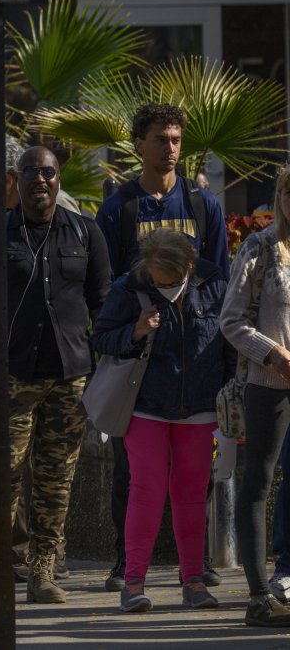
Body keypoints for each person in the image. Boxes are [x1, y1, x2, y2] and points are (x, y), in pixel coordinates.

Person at [94, 103, 229, 591]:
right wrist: (129, 330)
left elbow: (221, 282)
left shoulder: (201, 204)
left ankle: (197, 567)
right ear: (138, 145)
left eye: (176, 139)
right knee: (132, 476)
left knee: (196, 481)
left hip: (195, 365)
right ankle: (123, 565)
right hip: (142, 367)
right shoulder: (120, 208)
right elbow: (105, 284)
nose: (170, 148)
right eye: (160, 139)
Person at [90, 228, 230, 613]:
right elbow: (100, 338)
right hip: (146, 405)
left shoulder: (215, 281)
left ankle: (194, 581)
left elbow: (230, 339)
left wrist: (232, 394)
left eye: (172, 281)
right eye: (158, 281)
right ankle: (134, 583)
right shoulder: (129, 287)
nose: (165, 286)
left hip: (200, 407)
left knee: (192, 492)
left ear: (189, 266)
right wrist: (135, 330)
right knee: (146, 489)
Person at [5, 146, 112, 603]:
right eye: (30, 172)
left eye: (47, 172)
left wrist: (105, 358)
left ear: (58, 177)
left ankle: (43, 571)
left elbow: (102, 301)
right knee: (3, 475)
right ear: (17, 180)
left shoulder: (86, 232)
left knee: (55, 481)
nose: (39, 180)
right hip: (12, 377)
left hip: (70, 376)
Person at [222, 165, 290, 627]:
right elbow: (231, 321)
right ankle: (260, 596)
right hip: (270, 386)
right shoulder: (260, 247)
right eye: (289, 190)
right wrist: (272, 354)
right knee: (258, 484)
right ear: (280, 196)